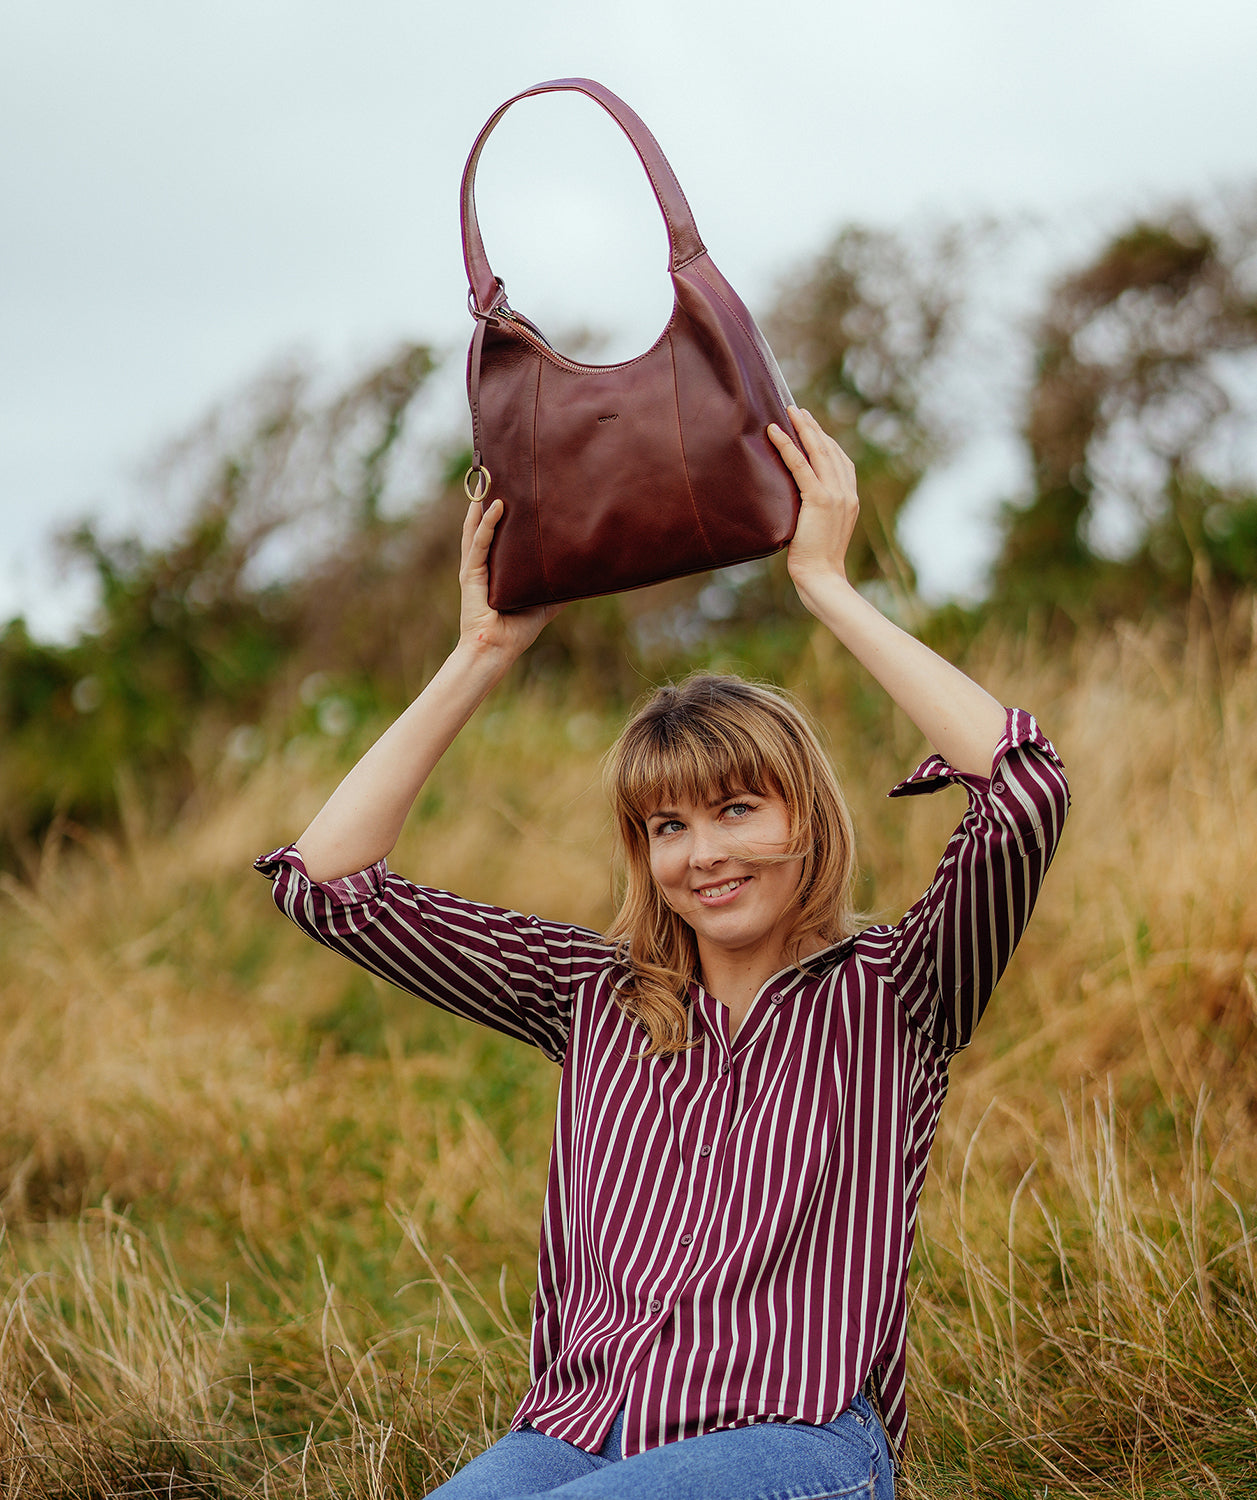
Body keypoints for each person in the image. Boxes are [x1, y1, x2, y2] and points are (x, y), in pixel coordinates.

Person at [255, 409, 1070, 1499]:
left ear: (808, 820)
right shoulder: (593, 995)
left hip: (799, 1439)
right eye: (668, 827)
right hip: (580, 1433)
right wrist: (483, 650)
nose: (704, 855)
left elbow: (1025, 791)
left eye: (737, 809)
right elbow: (329, 887)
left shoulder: (901, 989)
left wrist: (825, 585)